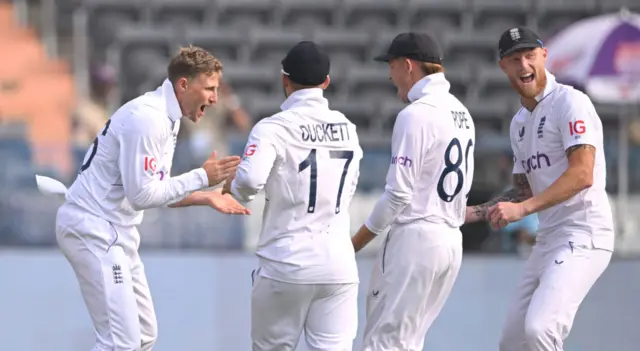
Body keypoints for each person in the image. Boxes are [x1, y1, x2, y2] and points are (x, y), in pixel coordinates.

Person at [55, 46, 250, 351]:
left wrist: (207, 197)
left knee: (144, 336)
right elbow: (142, 195)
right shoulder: (148, 118)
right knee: (121, 342)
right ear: (184, 85)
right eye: (210, 88)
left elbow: (157, 191)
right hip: (92, 228)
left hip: (116, 231)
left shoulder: (167, 118)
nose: (215, 98)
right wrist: (202, 176)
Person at [464, 27, 614, 351]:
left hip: (584, 233)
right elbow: (523, 189)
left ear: (544, 55)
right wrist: (472, 213)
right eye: (515, 59)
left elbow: (582, 175)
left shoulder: (570, 103)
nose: (524, 65)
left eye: (530, 55)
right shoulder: (519, 122)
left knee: (540, 329)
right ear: (503, 66)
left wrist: (522, 210)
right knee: (512, 342)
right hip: (549, 238)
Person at [222, 41, 363, 351]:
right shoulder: (349, 129)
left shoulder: (273, 128)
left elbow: (248, 183)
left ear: (285, 79)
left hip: (286, 264)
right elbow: (351, 186)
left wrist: (230, 184)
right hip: (339, 266)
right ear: (326, 82)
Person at [350, 32, 476, 351]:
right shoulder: (461, 112)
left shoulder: (415, 115)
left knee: (384, 341)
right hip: (450, 241)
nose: (390, 75)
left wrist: (354, 243)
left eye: (391, 66)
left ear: (408, 66)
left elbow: (397, 195)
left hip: (417, 238)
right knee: (409, 342)